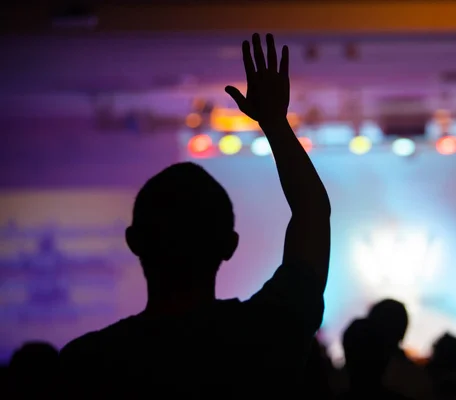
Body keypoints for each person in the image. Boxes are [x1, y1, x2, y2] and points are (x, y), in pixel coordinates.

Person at [58, 33, 331, 397]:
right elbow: (312, 212)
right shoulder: (268, 332)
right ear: (229, 245)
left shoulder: (86, 363)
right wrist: (274, 124)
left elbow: (312, 212)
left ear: (134, 242)